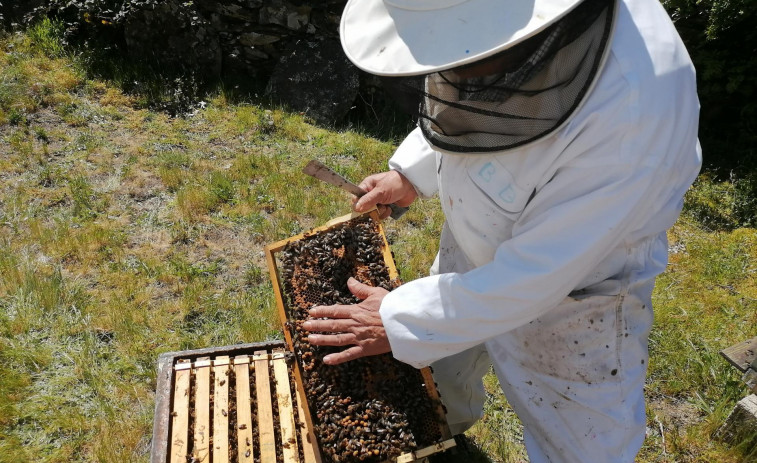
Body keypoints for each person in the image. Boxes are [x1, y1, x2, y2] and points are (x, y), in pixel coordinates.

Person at [302, 0, 702, 461]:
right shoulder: (490, 36)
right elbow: (465, 99)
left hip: (577, 296)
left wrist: (403, 320)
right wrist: (413, 172)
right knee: (442, 367)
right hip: (476, 234)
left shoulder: (634, 109)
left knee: (581, 446)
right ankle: (436, 439)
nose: (455, 69)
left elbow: (540, 274)